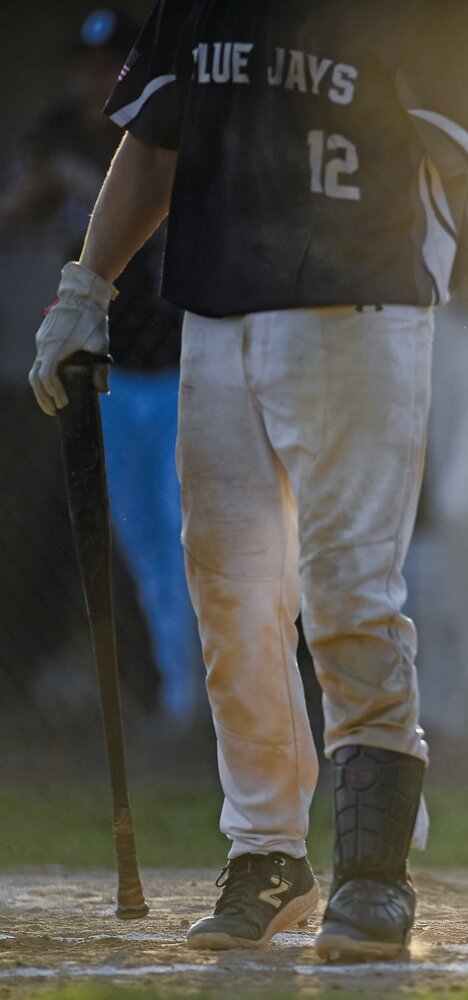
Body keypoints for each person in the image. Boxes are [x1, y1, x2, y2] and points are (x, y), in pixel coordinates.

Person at [28, 0, 468, 960]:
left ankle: (375, 874)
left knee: (350, 596)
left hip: (361, 309)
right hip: (215, 315)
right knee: (231, 597)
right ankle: (265, 853)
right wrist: (89, 284)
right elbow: (155, 142)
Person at [3, 7, 200, 723]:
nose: (91, 83)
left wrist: (79, 182)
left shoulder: (160, 126)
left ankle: (195, 700)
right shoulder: (60, 127)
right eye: (84, 69)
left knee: (189, 540)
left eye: (107, 68)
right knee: (141, 540)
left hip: (182, 367)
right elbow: (16, 203)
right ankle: (181, 695)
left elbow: (155, 206)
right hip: (112, 372)